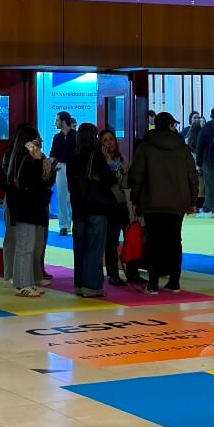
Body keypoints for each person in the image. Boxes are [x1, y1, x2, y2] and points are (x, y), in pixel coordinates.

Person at [127, 111, 200, 293]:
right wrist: (193, 200)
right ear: (170, 126)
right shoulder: (182, 148)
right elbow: (192, 176)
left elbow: (137, 176)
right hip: (178, 203)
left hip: (152, 202)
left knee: (153, 241)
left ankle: (152, 283)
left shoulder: (145, 147)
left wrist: (135, 199)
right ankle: (174, 281)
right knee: (175, 241)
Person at [66, 123, 116, 297]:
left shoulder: (73, 156)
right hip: (96, 207)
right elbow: (110, 180)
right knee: (94, 249)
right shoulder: (97, 155)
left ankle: (79, 284)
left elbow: (71, 185)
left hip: (78, 208)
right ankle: (92, 286)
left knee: (79, 248)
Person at [3, 125, 52, 298]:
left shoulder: (20, 156)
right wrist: (39, 163)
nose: (38, 142)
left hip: (27, 206)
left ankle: (27, 282)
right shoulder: (24, 157)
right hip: (26, 207)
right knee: (24, 246)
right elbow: (31, 182)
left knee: (28, 246)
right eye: (35, 139)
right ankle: (22, 284)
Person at [98, 127, 132, 286]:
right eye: (105, 141)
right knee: (111, 240)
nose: (109, 143)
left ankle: (132, 271)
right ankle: (113, 273)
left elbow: (127, 178)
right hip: (110, 204)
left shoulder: (123, 157)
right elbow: (111, 180)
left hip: (124, 203)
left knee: (130, 238)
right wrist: (108, 161)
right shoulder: (100, 161)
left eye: (111, 139)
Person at [49, 112, 77, 236]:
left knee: (73, 197)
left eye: (57, 120)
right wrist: (50, 164)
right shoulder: (57, 137)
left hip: (74, 169)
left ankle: (75, 223)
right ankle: (64, 225)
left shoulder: (76, 136)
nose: (55, 122)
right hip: (61, 168)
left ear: (63, 121)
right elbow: (53, 153)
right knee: (62, 198)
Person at [196, 106, 214, 215]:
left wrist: (199, 163)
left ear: (211, 116)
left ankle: (208, 207)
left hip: (208, 160)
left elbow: (200, 146)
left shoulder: (207, 127)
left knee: (209, 184)